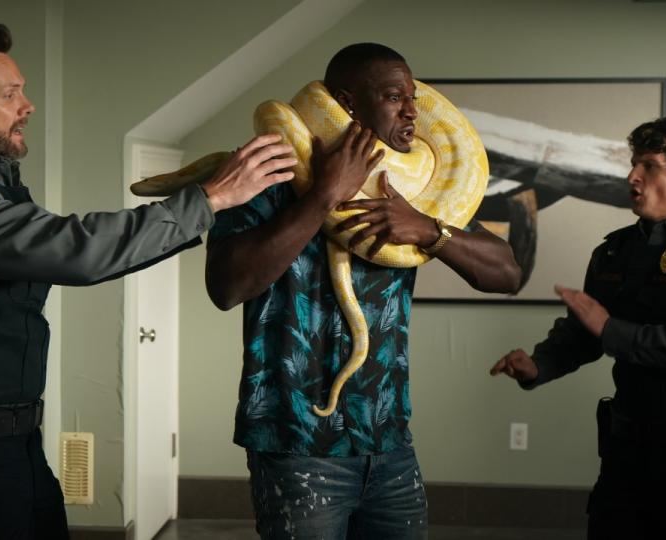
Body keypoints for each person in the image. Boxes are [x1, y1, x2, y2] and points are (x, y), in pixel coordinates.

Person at [0, 23, 296, 540]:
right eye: (9, 94)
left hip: (10, 446)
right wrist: (209, 200)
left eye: (22, 90)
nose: (27, 105)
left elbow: (78, 249)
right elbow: (77, 248)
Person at [206, 43, 521, 539]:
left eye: (413, 97)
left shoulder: (414, 194)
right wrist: (324, 195)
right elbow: (227, 286)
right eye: (395, 97)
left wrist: (429, 230)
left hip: (389, 443)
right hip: (296, 445)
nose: (413, 111)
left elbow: (506, 274)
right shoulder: (269, 179)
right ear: (348, 104)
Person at [490, 116, 666, 540]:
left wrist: (609, 328)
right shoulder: (616, 250)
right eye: (634, 164)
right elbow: (583, 335)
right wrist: (538, 366)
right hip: (628, 453)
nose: (633, 176)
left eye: (649, 166)